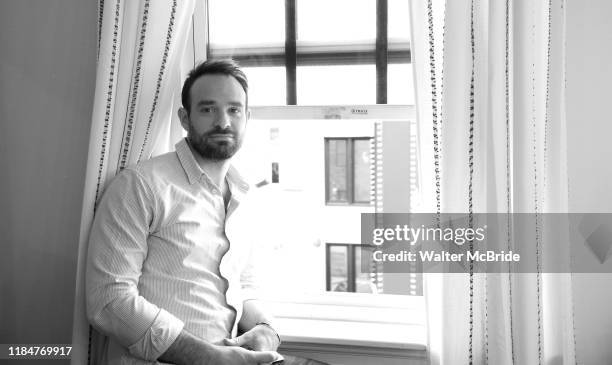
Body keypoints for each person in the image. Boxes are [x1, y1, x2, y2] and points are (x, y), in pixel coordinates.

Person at [86, 59, 285, 365]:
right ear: (185, 117)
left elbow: (244, 284)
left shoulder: (244, 195)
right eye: (207, 109)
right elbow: (109, 301)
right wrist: (209, 357)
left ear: (247, 117)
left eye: (234, 110)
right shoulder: (140, 185)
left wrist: (265, 329)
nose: (224, 122)